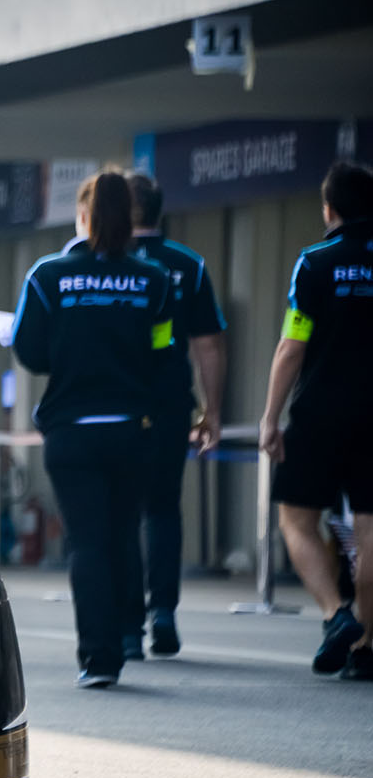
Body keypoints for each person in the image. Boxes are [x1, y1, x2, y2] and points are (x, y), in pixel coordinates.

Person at [12, 171, 173, 688]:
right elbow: (165, 354)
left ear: (83, 216)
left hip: (71, 431)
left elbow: (28, 351)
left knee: (87, 543)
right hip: (133, 428)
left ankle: (99, 659)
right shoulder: (155, 281)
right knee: (123, 534)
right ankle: (130, 633)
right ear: (131, 219)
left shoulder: (47, 275)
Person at [259, 160, 373, 679]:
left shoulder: (315, 262)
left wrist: (269, 417)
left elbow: (291, 346)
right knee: (371, 531)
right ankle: (367, 644)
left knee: (296, 519)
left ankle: (336, 613)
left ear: (328, 209)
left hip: (320, 412)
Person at [125, 172, 227, 657]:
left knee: (118, 513)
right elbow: (209, 344)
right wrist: (213, 410)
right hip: (170, 404)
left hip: (114, 406)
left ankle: (125, 625)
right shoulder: (189, 265)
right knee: (163, 508)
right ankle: (162, 611)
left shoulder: (96, 263)